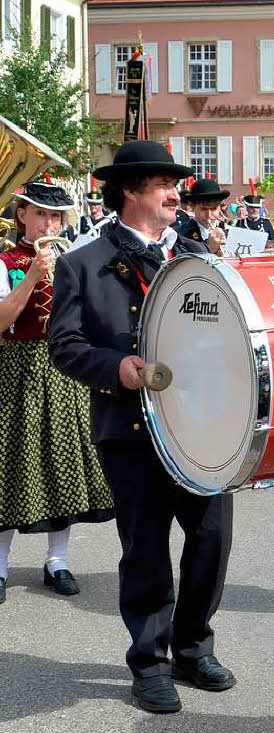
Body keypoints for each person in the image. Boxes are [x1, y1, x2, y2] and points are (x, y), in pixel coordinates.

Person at [48, 141, 235, 714]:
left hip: (201, 427)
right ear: (130, 191)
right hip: (129, 427)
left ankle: (192, 647)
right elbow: (65, 346)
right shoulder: (81, 261)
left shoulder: (197, 256)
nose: (176, 191)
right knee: (146, 549)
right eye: (163, 182)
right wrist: (117, 369)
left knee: (211, 539)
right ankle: (149, 662)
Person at [0, 179, 114, 606]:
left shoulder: (73, 259)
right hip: (15, 370)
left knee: (63, 461)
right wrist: (31, 275)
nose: (49, 222)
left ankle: (58, 561)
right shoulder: (4, 259)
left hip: (64, 369)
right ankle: (1, 566)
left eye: (55, 216)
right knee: (12, 463)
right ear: (22, 216)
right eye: (41, 214)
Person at [173, 177, 229, 255]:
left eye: (213, 209)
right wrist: (211, 250)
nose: (209, 215)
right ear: (192, 207)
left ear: (219, 208)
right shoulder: (179, 235)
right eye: (204, 209)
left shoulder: (228, 232)